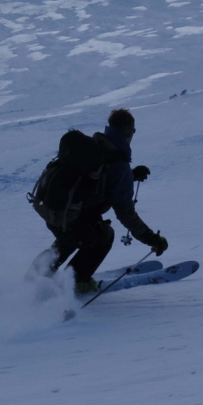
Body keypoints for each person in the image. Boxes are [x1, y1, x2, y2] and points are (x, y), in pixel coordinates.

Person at [32, 108, 169, 294]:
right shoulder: (118, 164)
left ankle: (34, 276)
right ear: (128, 132)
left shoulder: (95, 145)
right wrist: (152, 239)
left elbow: (99, 180)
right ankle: (76, 282)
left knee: (69, 237)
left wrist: (130, 176)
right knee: (104, 235)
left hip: (54, 213)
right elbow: (125, 213)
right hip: (72, 220)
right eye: (133, 131)